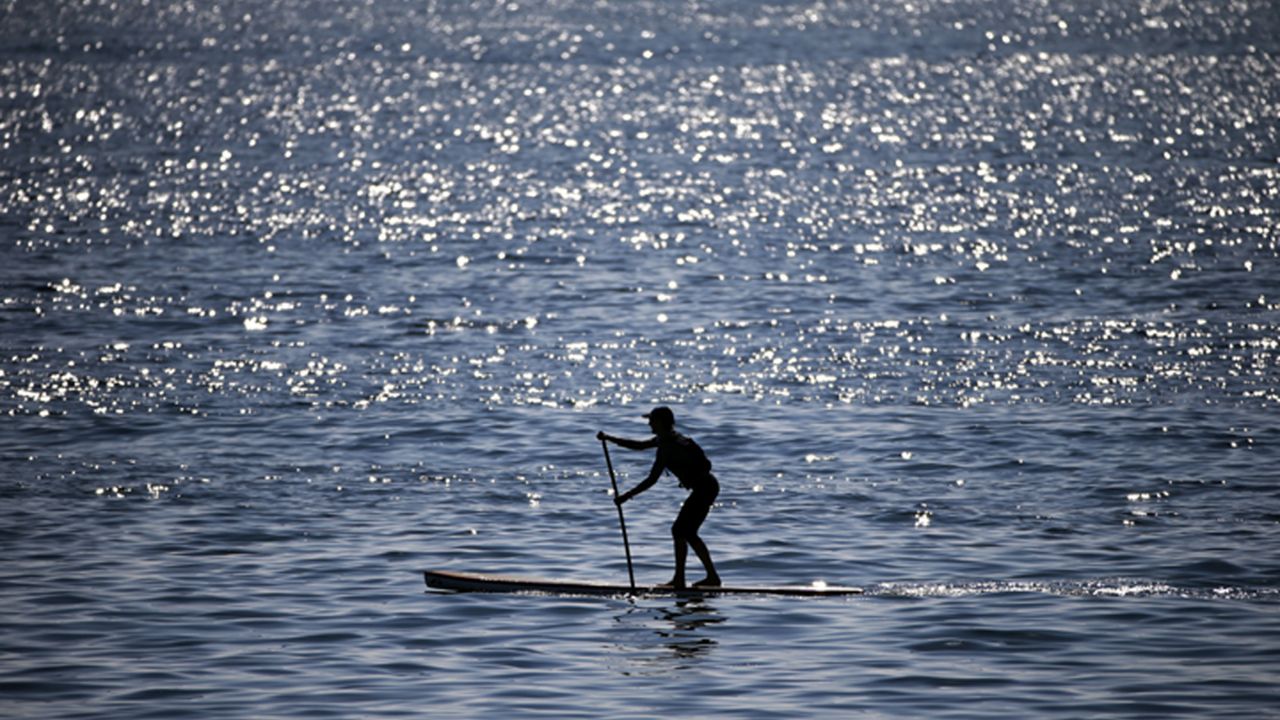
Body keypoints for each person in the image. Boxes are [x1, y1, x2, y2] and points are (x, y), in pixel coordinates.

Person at [597, 406, 722, 589]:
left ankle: (689, 579)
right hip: (706, 488)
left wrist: (626, 496)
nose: (649, 424)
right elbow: (639, 446)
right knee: (685, 532)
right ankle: (703, 577)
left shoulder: (668, 446)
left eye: (652, 421)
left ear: (661, 422)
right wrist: (609, 439)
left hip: (705, 489)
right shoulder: (666, 440)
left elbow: (651, 480)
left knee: (681, 531)